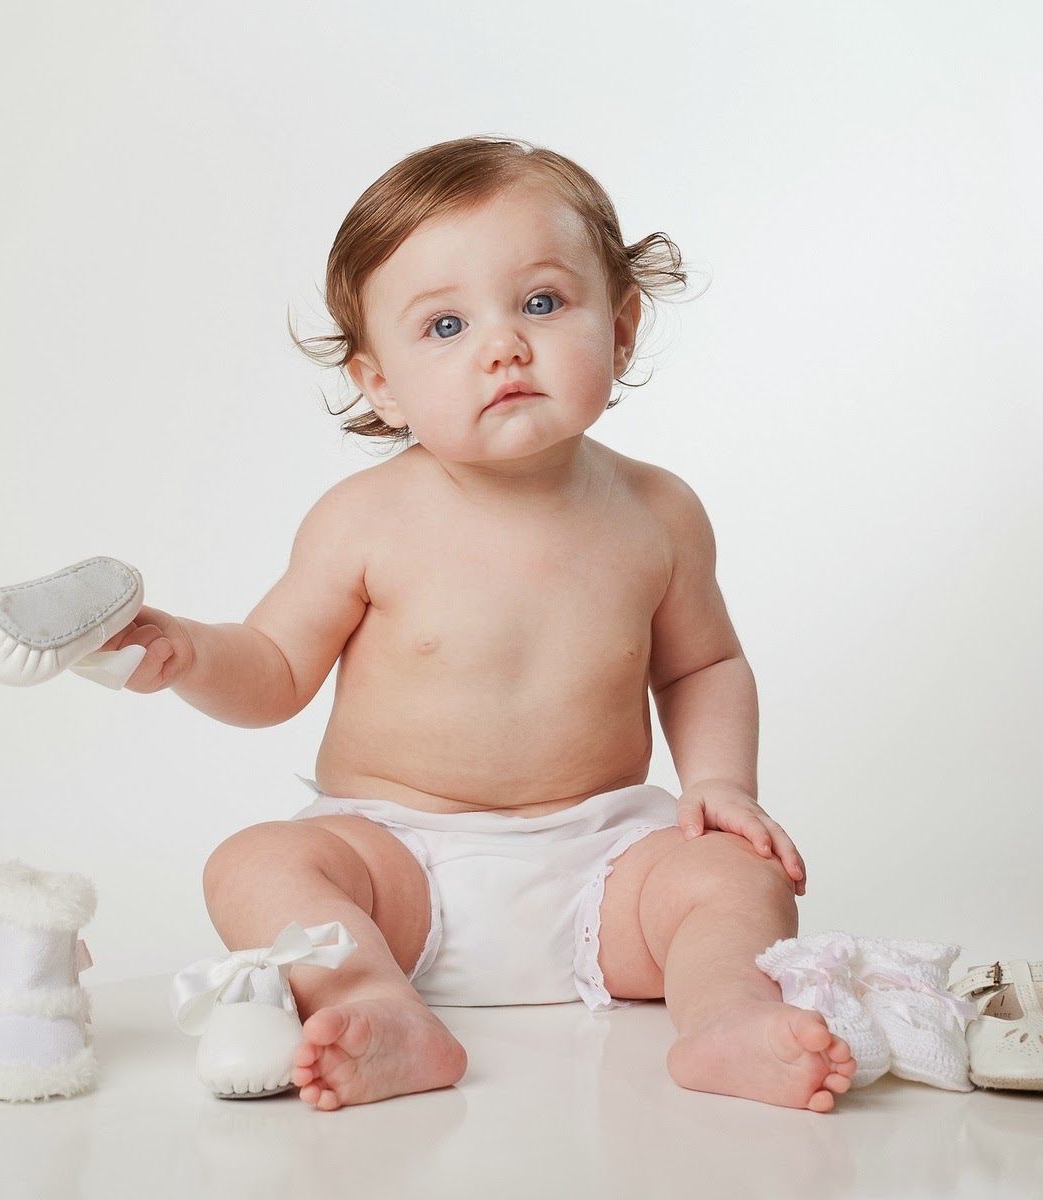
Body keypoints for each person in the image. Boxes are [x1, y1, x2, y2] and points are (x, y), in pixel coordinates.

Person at [98, 136, 855, 1113]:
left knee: (736, 882)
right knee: (257, 865)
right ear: (380, 384)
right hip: (394, 862)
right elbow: (276, 668)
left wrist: (718, 785)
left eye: (541, 303)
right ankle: (374, 1005)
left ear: (620, 328)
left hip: (602, 865)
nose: (502, 344)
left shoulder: (657, 513)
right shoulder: (364, 519)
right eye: (445, 325)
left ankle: (723, 1018)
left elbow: (701, 666)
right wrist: (190, 652)